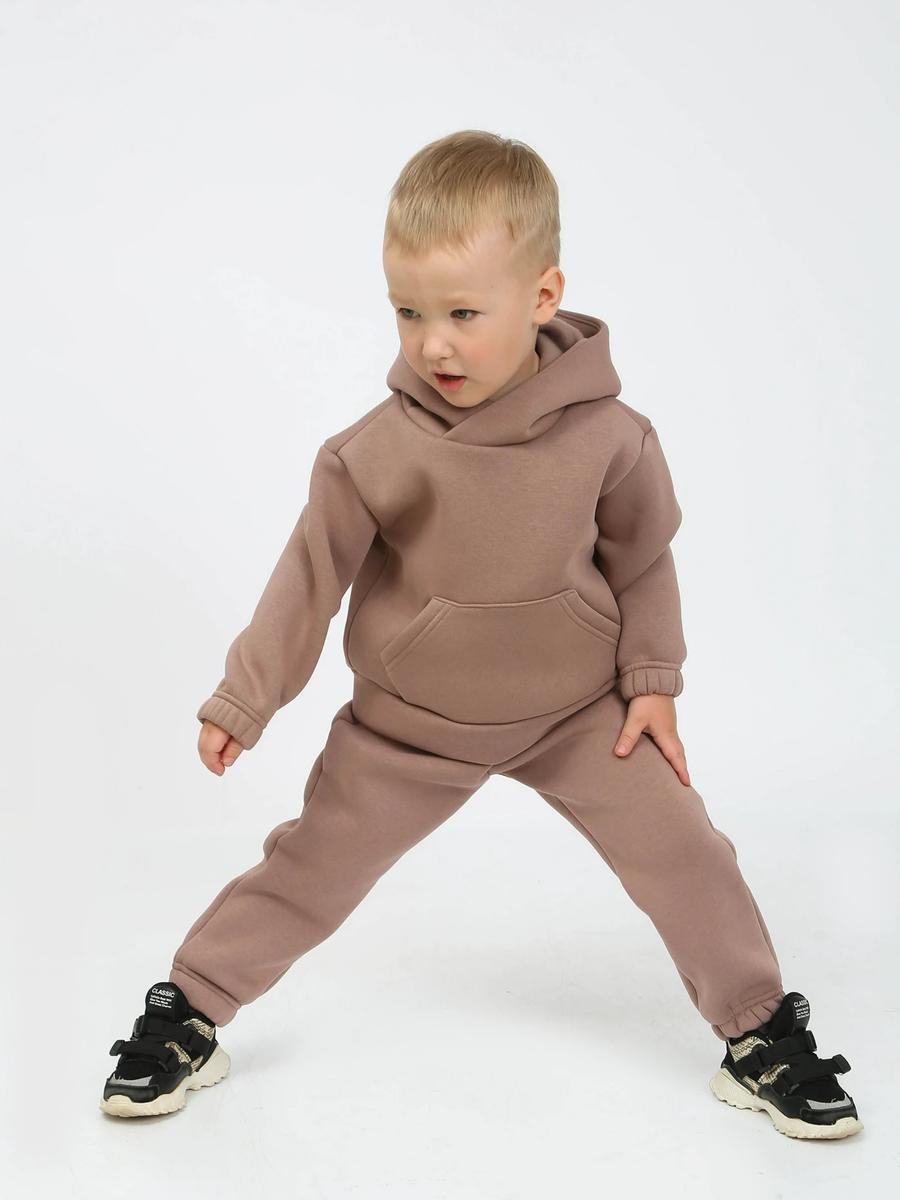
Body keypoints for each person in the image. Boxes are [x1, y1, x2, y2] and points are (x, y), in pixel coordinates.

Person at [100, 129, 861, 1139]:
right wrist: (247, 697)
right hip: (409, 727)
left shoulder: (613, 437)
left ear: (543, 296)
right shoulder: (372, 452)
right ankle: (188, 1012)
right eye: (408, 312)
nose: (433, 345)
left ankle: (760, 1033)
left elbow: (642, 560)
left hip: (579, 716)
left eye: (463, 313)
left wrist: (652, 680)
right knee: (310, 868)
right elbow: (309, 580)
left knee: (687, 854)